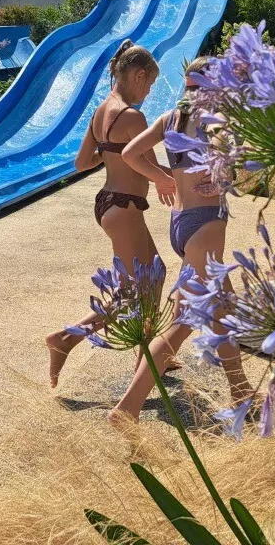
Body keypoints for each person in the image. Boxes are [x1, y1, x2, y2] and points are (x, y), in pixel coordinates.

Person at [109, 59, 251, 425]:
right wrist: (225, 172)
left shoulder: (171, 117)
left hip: (182, 224)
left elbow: (130, 153)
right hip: (205, 225)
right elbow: (234, 158)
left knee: (223, 311)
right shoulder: (212, 118)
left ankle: (241, 390)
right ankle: (127, 408)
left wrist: (164, 179)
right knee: (187, 321)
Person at [47, 41, 174, 388]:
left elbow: (82, 162)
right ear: (138, 75)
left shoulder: (101, 111)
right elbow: (141, 161)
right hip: (125, 206)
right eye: (148, 85)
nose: (147, 93)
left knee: (155, 274)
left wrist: (114, 153)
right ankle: (66, 339)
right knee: (133, 292)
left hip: (109, 203)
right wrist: (165, 176)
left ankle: (146, 354)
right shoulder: (132, 116)